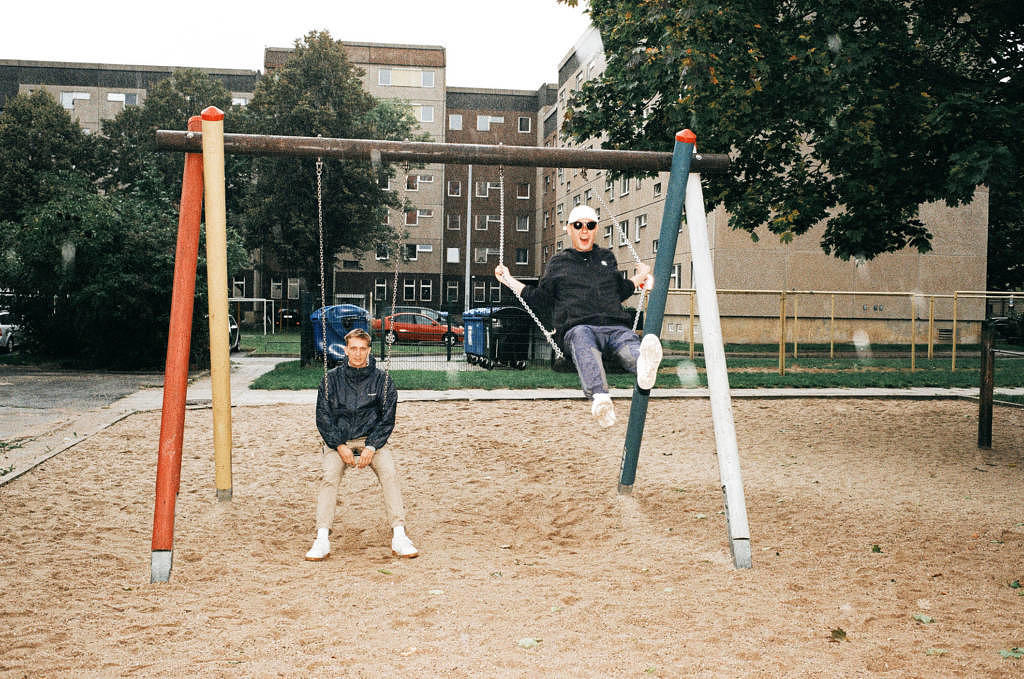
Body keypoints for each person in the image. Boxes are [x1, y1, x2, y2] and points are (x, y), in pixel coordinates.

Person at [495, 204, 663, 428]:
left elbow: (619, 290)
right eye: (578, 225)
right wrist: (508, 279)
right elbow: (540, 298)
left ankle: (643, 366)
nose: (584, 231)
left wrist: (640, 275)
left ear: (595, 229)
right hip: (578, 327)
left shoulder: (607, 258)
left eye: (590, 225)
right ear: (569, 229)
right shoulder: (559, 262)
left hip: (614, 326)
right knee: (583, 338)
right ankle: (600, 398)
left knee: (628, 340)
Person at [305, 328, 418, 561]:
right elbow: (323, 417)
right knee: (329, 476)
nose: (357, 354)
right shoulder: (331, 379)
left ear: (369, 350)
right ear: (346, 349)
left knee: (390, 473)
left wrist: (372, 446)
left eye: (362, 349)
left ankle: (399, 534)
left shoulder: (382, 380)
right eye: (353, 348)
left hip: (370, 440)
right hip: (339, 440)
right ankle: (322, 538)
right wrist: (339, 445)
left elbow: (387, 419)